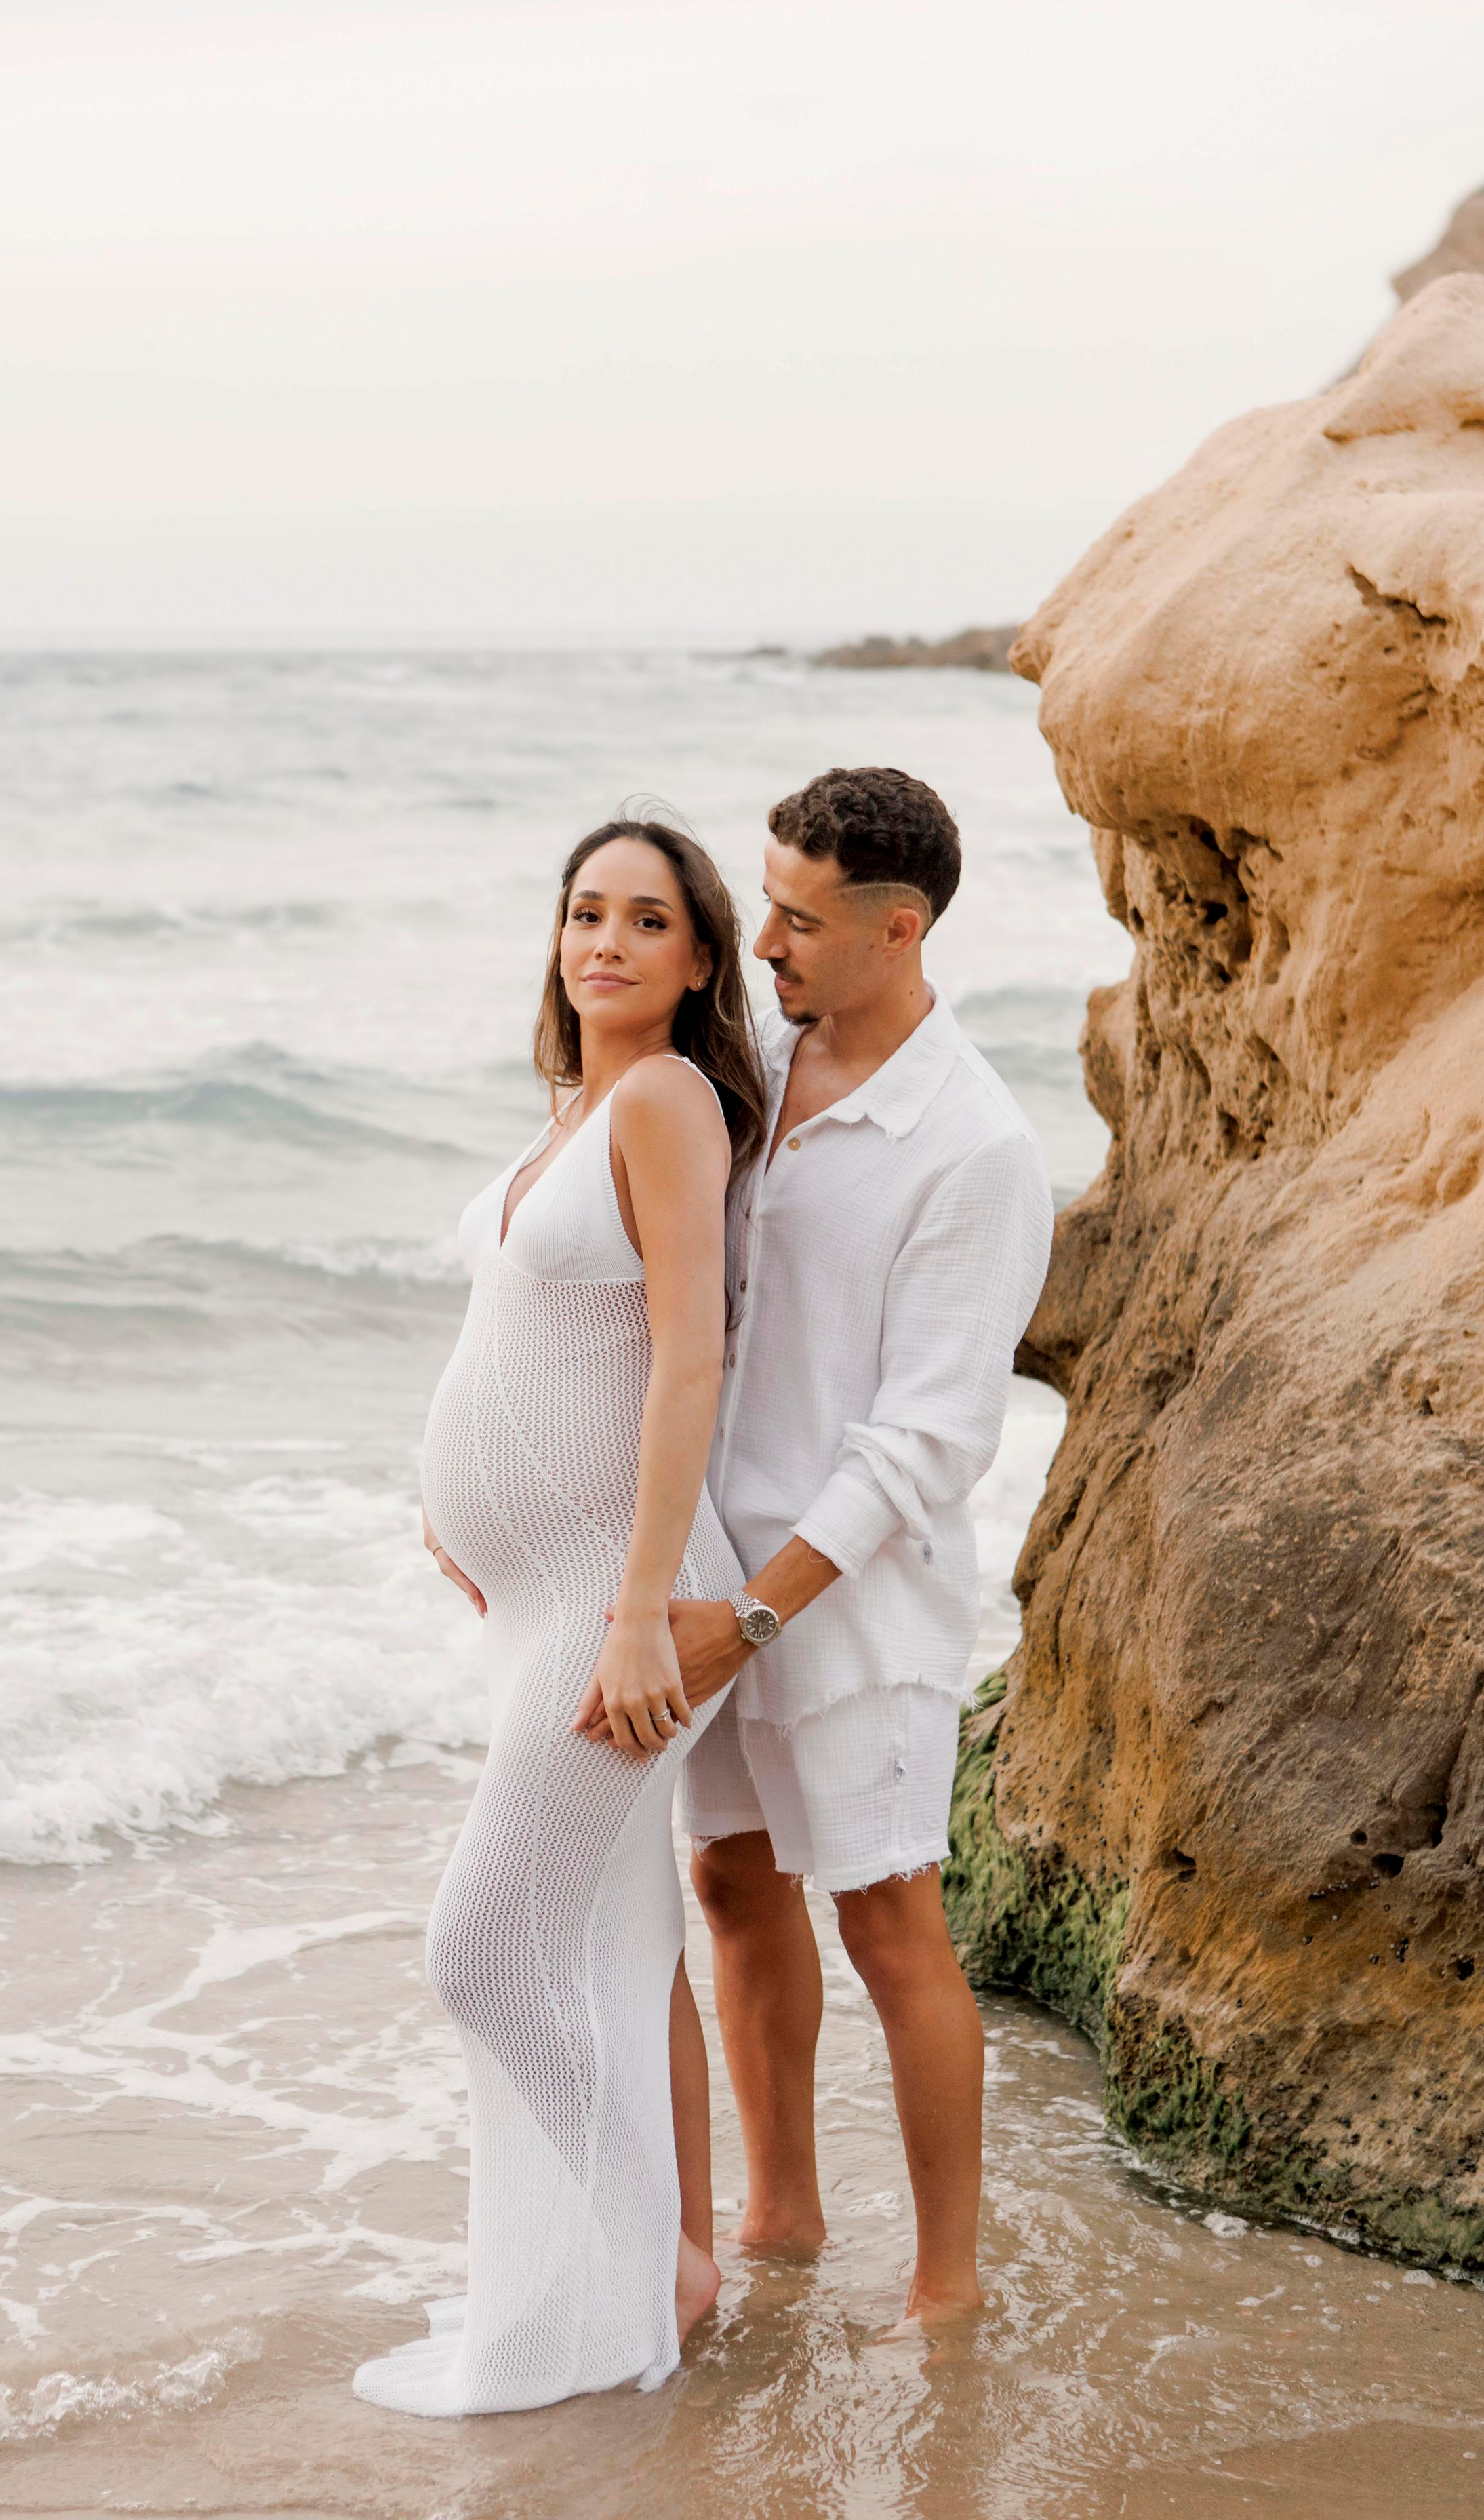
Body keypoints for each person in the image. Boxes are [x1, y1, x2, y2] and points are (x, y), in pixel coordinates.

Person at [582, 766, 1053, 2331]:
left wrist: (755, 1620)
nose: (760, 935)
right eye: (762, 900)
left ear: (895, 928)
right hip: (710, 1565)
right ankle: (776, 2216)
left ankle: (942, 2290)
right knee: (726, 1884)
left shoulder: (973, 1144)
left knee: (886, 1917)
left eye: (795, 916)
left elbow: (927, 1442)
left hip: (848, 1605)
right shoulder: (751, 1059)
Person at [353, 814, 766, 2417]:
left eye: (644, 919)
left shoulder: (662, 1102)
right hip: (539, 1586)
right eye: (583, 912)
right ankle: (630, 2265)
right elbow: (525, 1332)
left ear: (697, 959)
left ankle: (645, 2256)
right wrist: (458, 1503)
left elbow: (686, 1360)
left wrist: (643, 1609)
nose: (602, 941)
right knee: (598, 1936)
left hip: (619, 1592)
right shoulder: (574, 1107)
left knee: (483, 1948)